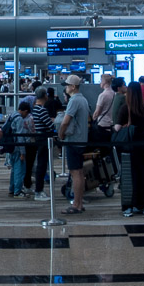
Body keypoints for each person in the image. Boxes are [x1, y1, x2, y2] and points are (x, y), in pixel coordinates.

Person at [57, 75, 93, 214]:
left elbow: (66, 121)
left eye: (67, 85)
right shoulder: (83, 99)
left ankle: (76, 204)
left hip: (74, 140)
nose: (66, 88)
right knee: (79, 172)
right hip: (82, 139)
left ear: (73, 87)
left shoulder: (74, 100)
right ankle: (79, 202)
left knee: (75, 173)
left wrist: (61, 134)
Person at [120, 81, 144, 218]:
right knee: (143, 175)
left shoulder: (125, 109)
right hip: (143, 146)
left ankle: (129, 205)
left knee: (129, 176)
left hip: (129, 148)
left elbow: (117, 127)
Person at [26, 88, 57, 200]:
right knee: (42, 165)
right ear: (45, 96)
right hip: (44, 139)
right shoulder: (42, 110)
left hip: (39, 138)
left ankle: (38, 189)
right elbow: (50, 125)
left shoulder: (35, 109)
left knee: (41, 164)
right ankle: (39, 191)